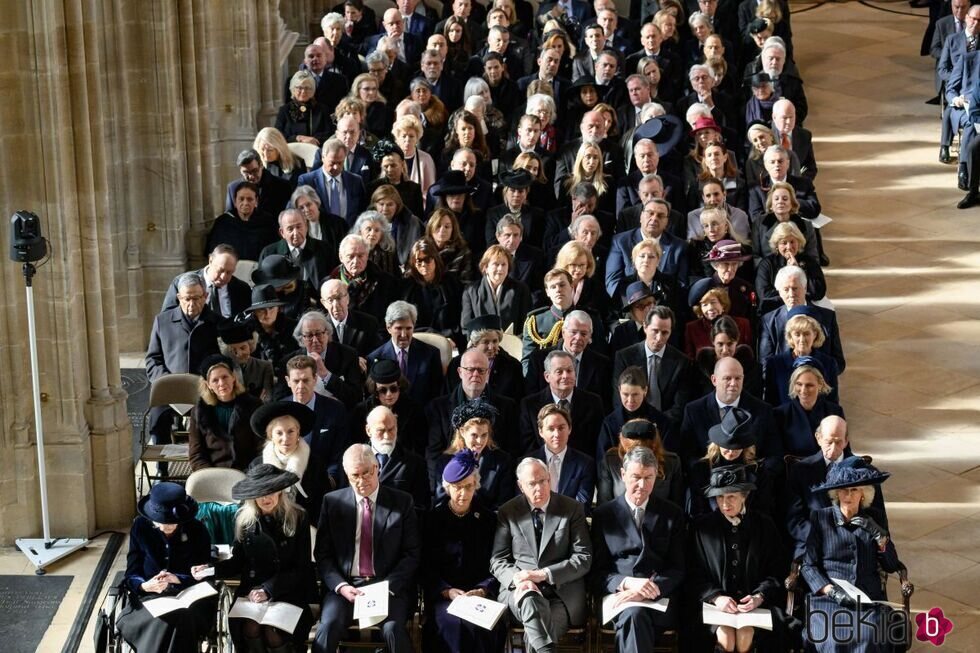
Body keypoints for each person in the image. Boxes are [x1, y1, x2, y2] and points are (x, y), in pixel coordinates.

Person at [313, 444, 421, 653]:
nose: (361, 481)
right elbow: (323, 555)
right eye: (355, 475)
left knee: (393, 629)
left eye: (366, 473)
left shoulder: (402, 502)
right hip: (347, 586)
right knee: (327, 628)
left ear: (376, 467)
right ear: (346, 474)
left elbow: (412, 553)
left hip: (388, 587)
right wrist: (341, 586)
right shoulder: (332, 502)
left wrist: (387, 586)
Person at [198, 465, 316, 652]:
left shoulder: (298, 517)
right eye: (260, 493)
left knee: (272, 630)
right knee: (250, 626)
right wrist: (209, 570)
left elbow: (302, 567)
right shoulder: (244, 520)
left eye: (270, 492)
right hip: (251, 593)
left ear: (279, 492)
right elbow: (237, 562)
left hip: (287, 590)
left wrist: (268, 590)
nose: (266, 498)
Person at [801, 458, 907, 653]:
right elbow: (808, 566)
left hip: (867, 600)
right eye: (843, 490)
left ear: (863, 494)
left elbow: (892, 565)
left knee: (870, 635)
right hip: (829, 600)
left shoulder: (874, 519)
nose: (848, 495)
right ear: (836, 493)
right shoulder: (821, 518)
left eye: (854, 490)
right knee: (834, 637)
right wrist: (831, 591)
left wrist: (879, 536)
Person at [490, 457, 593, 653]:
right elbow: (498, 560)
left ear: (550, 479)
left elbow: (583, 557)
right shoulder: (508, 511)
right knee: (529, 599)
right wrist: (519, 579)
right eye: (532, 483)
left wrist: (544, 574)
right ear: (521, 486)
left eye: (543, 481)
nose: (539, 488)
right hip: (519, 592)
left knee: (535, 631)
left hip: (560, 594)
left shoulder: (571, 509)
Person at [590, 446, 685, 653]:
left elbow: (678, 568)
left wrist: (649, 590)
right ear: (623, 475)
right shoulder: (603, 515)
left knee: (636, 618)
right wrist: (627, 584)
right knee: (634, 616)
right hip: (619, 596)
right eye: (636, 477)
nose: (642, 485)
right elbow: (596, 572)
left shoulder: (672, 513)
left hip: (660, 598)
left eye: (648, 478)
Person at [688, 464, 785, 653]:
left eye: (731, 496)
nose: (725, 504)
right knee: (725, 634)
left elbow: (777, 570)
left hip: (756, 607)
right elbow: (693, 573)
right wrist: (716, 597)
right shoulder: (701, 528)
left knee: (745, 634)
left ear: (744, 495)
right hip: (712, 606)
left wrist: (759, 596)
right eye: (720, 497)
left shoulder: (765, 526)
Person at [422, 449, 505, 653]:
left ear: (476, 486)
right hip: (445, 596)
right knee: (453, 624)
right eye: (457, 487)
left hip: (479, 594)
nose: (463, 493)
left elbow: (498, 561)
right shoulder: (433, 519)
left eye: (468, 487)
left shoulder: (487, 519)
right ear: (447, 488)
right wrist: (446, 590)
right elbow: (424, 565)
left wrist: (483, 588)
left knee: (483, 626)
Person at [116, 483, 215, 652]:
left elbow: (207, 572)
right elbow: (133, 571)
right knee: (167, 619)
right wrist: (144, 585)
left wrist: (178, 579)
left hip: (191, 599)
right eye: (161, 521)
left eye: (172, 522)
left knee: (181, 618)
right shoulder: (141, 528)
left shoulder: (198, 530)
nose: (167, 526)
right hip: (150, 599)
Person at [146, 272, 222, 451]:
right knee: (158, 419)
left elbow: (222, 360)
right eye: (187, 298)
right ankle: (161, 467)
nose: (191, 304)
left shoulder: (217, 323)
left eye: (196, 298)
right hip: (169, 390)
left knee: (213, 419)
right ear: (179, 297)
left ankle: (205, 459)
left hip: (204, 390)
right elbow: (152, 360)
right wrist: (167, 382)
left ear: (205, 297)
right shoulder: (162, 321)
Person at [676, 356, 780, 471]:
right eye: (727, 378)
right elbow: (687, 456)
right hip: (706, 483)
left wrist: (751, 478)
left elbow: (774, 455)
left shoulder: (762, 410)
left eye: (738, 378)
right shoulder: (694, 411)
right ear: (714, 380)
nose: (733, 383)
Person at [611, 305, 693, 433]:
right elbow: (618, 399)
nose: (659, 338)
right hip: (630, 428)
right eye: (655, 331)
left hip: (666, 430)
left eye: (665, 332)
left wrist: (655, 426)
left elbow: (679, 406)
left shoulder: (682, 362)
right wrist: (637, 426)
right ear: (645, 327)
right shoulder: (625, 357)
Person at [686, 406, 774, 518]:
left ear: (745, 446)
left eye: (737, 447)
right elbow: (697, 510)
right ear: (718, 442)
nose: (731, 451)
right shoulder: (701, 469)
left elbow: (763, 509)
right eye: (727, 445)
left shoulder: (758, 470)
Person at [432, 397, 516, 509]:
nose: (480, 441)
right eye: (474, 435)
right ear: (462, 432)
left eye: (484, 435)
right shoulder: (445, 461)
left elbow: (503, 504)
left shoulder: (502, 462)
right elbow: (440, 502)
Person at [758, 268, 845, 375]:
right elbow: (765, 364)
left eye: (795, 288)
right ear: (779, 292)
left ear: (805, 288)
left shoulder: (827, 317)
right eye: (786, 289)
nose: (791, 294)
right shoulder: (768, 321)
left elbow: (839, 362)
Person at [519, 349, 605, 457]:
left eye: (569, 371)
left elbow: (597, 445)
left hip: (581, 468)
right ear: (547, 376)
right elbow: (528, 447)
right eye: (559, 372)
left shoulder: (593, 403)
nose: (565, 376)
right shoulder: (529, 405)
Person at [285, 354, 351, 494]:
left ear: (315, 379)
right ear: (288, 381)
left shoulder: (335, 410)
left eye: (305, 380)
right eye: (296, 381)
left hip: (324, 486)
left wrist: (330, 480)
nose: (300, 386)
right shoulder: (279, 412)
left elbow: (340, 452)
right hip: (287, 487)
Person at [187, 354, 264, 472]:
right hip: (214, 473)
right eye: (215, 380)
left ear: (233, 378)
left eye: (225, 377)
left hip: (248, 472)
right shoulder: (199, 411)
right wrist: (211, 476)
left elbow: (262, 446)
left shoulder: (253, 405)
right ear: (208, 385)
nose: (221, 383)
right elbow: (196, 454)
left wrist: (254, 473)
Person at [288, 310, 365, 408]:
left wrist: (325, 374)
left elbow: (356, 397)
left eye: (319, 334)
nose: (315, 340)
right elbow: (280, 399)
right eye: (309, 336)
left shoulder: (348, 355)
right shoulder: (290, 361)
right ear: (301, 338)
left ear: (327, 334)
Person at [763, 311, 839, 407]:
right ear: (791, 336)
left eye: (806, 334)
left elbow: (832, 401)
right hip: (785, 418)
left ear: (815, 334)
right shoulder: (775, 363)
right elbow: (770, 401)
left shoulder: (828, 363)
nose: (802, 339)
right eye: (797, 334)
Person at [529, 403, 596, 511]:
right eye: (551, 429)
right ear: (541, 431)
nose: (557, 434)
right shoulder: (527, 463)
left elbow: (582, 505)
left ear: (569, 429)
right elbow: (524, 501)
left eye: (561, 428)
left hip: (569, 524)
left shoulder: (585, 464)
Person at [160, 244, 252, 320]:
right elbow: (167, 317)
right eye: (220, 270)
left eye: (229, 272)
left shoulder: (242, 289)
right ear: (210, 260)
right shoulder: (182, 283)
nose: (223, 276)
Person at [402, 237, 464, 348]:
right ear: (413, 263)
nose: (424, 264)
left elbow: (459, 315)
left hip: (450, 339)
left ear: (435, 259)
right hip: (417, 340)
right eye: (419, 261)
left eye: (427, 259)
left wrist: (449, 337)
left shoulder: (451, 282)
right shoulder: (407, 286)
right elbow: (406, 321)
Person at [448, 315, 525, 403]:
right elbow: (450, 398)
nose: (491, 347)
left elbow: (517, 401)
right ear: (475, 343)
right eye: (486, 342)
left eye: (495, 341)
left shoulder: (512, 366)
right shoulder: (457, 363)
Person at [755, 221, 825, 315]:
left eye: (792, 242)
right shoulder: (767, 264)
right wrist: (795, 296)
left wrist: (799, 270)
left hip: (805, 310)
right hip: (775, 312)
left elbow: (819, 292)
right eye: (784, 243)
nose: (789, 247)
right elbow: (764, 294)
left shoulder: (809, 262)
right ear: (777, 245)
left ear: (798, 242)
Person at [461, 245, 532, 335]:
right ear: (485, 267)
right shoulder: (471, 291)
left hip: (513, 344)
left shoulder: (520, 289)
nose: (500, 269)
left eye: (503, 264)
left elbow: (526, 324)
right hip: (480, 344)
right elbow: (466, 326)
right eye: (496, 264)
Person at [259, 208, 337, 288]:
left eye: (299, 227)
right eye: (290, 229)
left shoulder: (324, 249)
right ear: (282, 232)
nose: (296, 233)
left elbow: (334, 280)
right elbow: (263, 286)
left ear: (306, 226)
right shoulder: (269, 253)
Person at [296, 138, 369, 225]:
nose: (336, 167)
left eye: (340, 163)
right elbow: (297, 210)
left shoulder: (356, 181)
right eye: (332, 163)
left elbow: (364, 211)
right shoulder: (307, 181)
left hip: (349, 234)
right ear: (323, 158)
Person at [209, 180, 279, 262]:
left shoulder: (267, 222)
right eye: (241, 199)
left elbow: (274, 250)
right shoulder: (223, 222)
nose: (245, 203)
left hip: (259, 269)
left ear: (256, 201)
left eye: (250, 199)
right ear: (235, 201)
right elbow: (214, 251)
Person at [319, 278, 382, 358]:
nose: (336, 305)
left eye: (339, 298)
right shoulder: (318, 327)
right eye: (330, 300)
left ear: (347, 298)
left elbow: (377, 353)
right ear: (323, 303)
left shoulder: (368, 323)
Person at [368, 139, 425, 219]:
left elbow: (419, 218)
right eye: (386, 166)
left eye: (393, 165)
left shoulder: (414, 189)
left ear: (402, 164)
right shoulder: (373, 187)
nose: (389, 169)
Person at [275, 70, 331, 146]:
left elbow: (330, 133)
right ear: (293, 90)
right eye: (299, 88)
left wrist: (313, 140)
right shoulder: (284, 110)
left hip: (317, 150)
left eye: (307, 88)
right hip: (291, 153)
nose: (303, 91)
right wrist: (298, 138)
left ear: (313, 90)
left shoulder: (322, 109)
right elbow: (277, 134)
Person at [427, 207, 476, 284]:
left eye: (447, 227)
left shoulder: (463, 252)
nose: (442, 230)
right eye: (438, 225)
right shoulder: (421, 249)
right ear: (431, 227)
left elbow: (466, 282)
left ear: (453, 230)